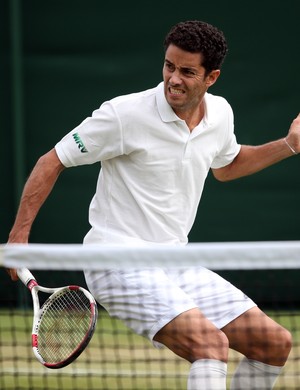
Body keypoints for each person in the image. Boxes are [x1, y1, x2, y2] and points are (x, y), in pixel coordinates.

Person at [7, 20, 299, 389]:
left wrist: (290, 144)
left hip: (175, 261)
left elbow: (226, 167)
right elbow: (52, 160)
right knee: (211, 345)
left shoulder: (221, 114)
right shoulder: (123, 114)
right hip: (116, 261)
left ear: (212, 77)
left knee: (273, 343)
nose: (173, 79)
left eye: (187, 72)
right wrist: (19, 235)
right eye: (169, 66)